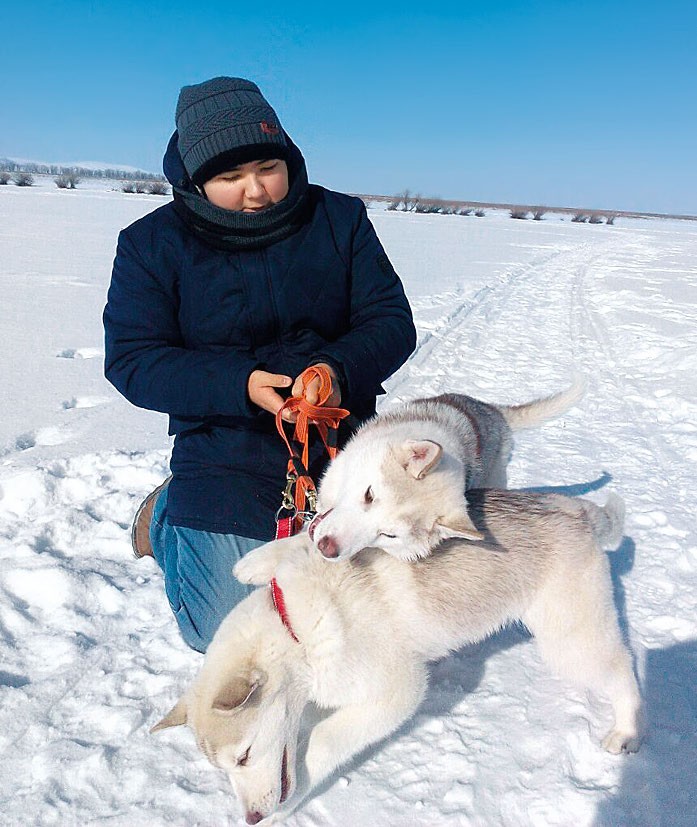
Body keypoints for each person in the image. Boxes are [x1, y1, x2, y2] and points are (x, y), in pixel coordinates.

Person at [103, 76, 416, 653]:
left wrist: (337, 369)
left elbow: (392, 321)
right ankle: (167, 513)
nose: (256, 191)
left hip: (338, 439)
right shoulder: (151, 245)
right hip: (223, 447)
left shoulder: (339, 218)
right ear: (195, 179)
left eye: (268, 167)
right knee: (232, 634)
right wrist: (238, 383)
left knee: (379, 613)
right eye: (230, 177)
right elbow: (134, 359)